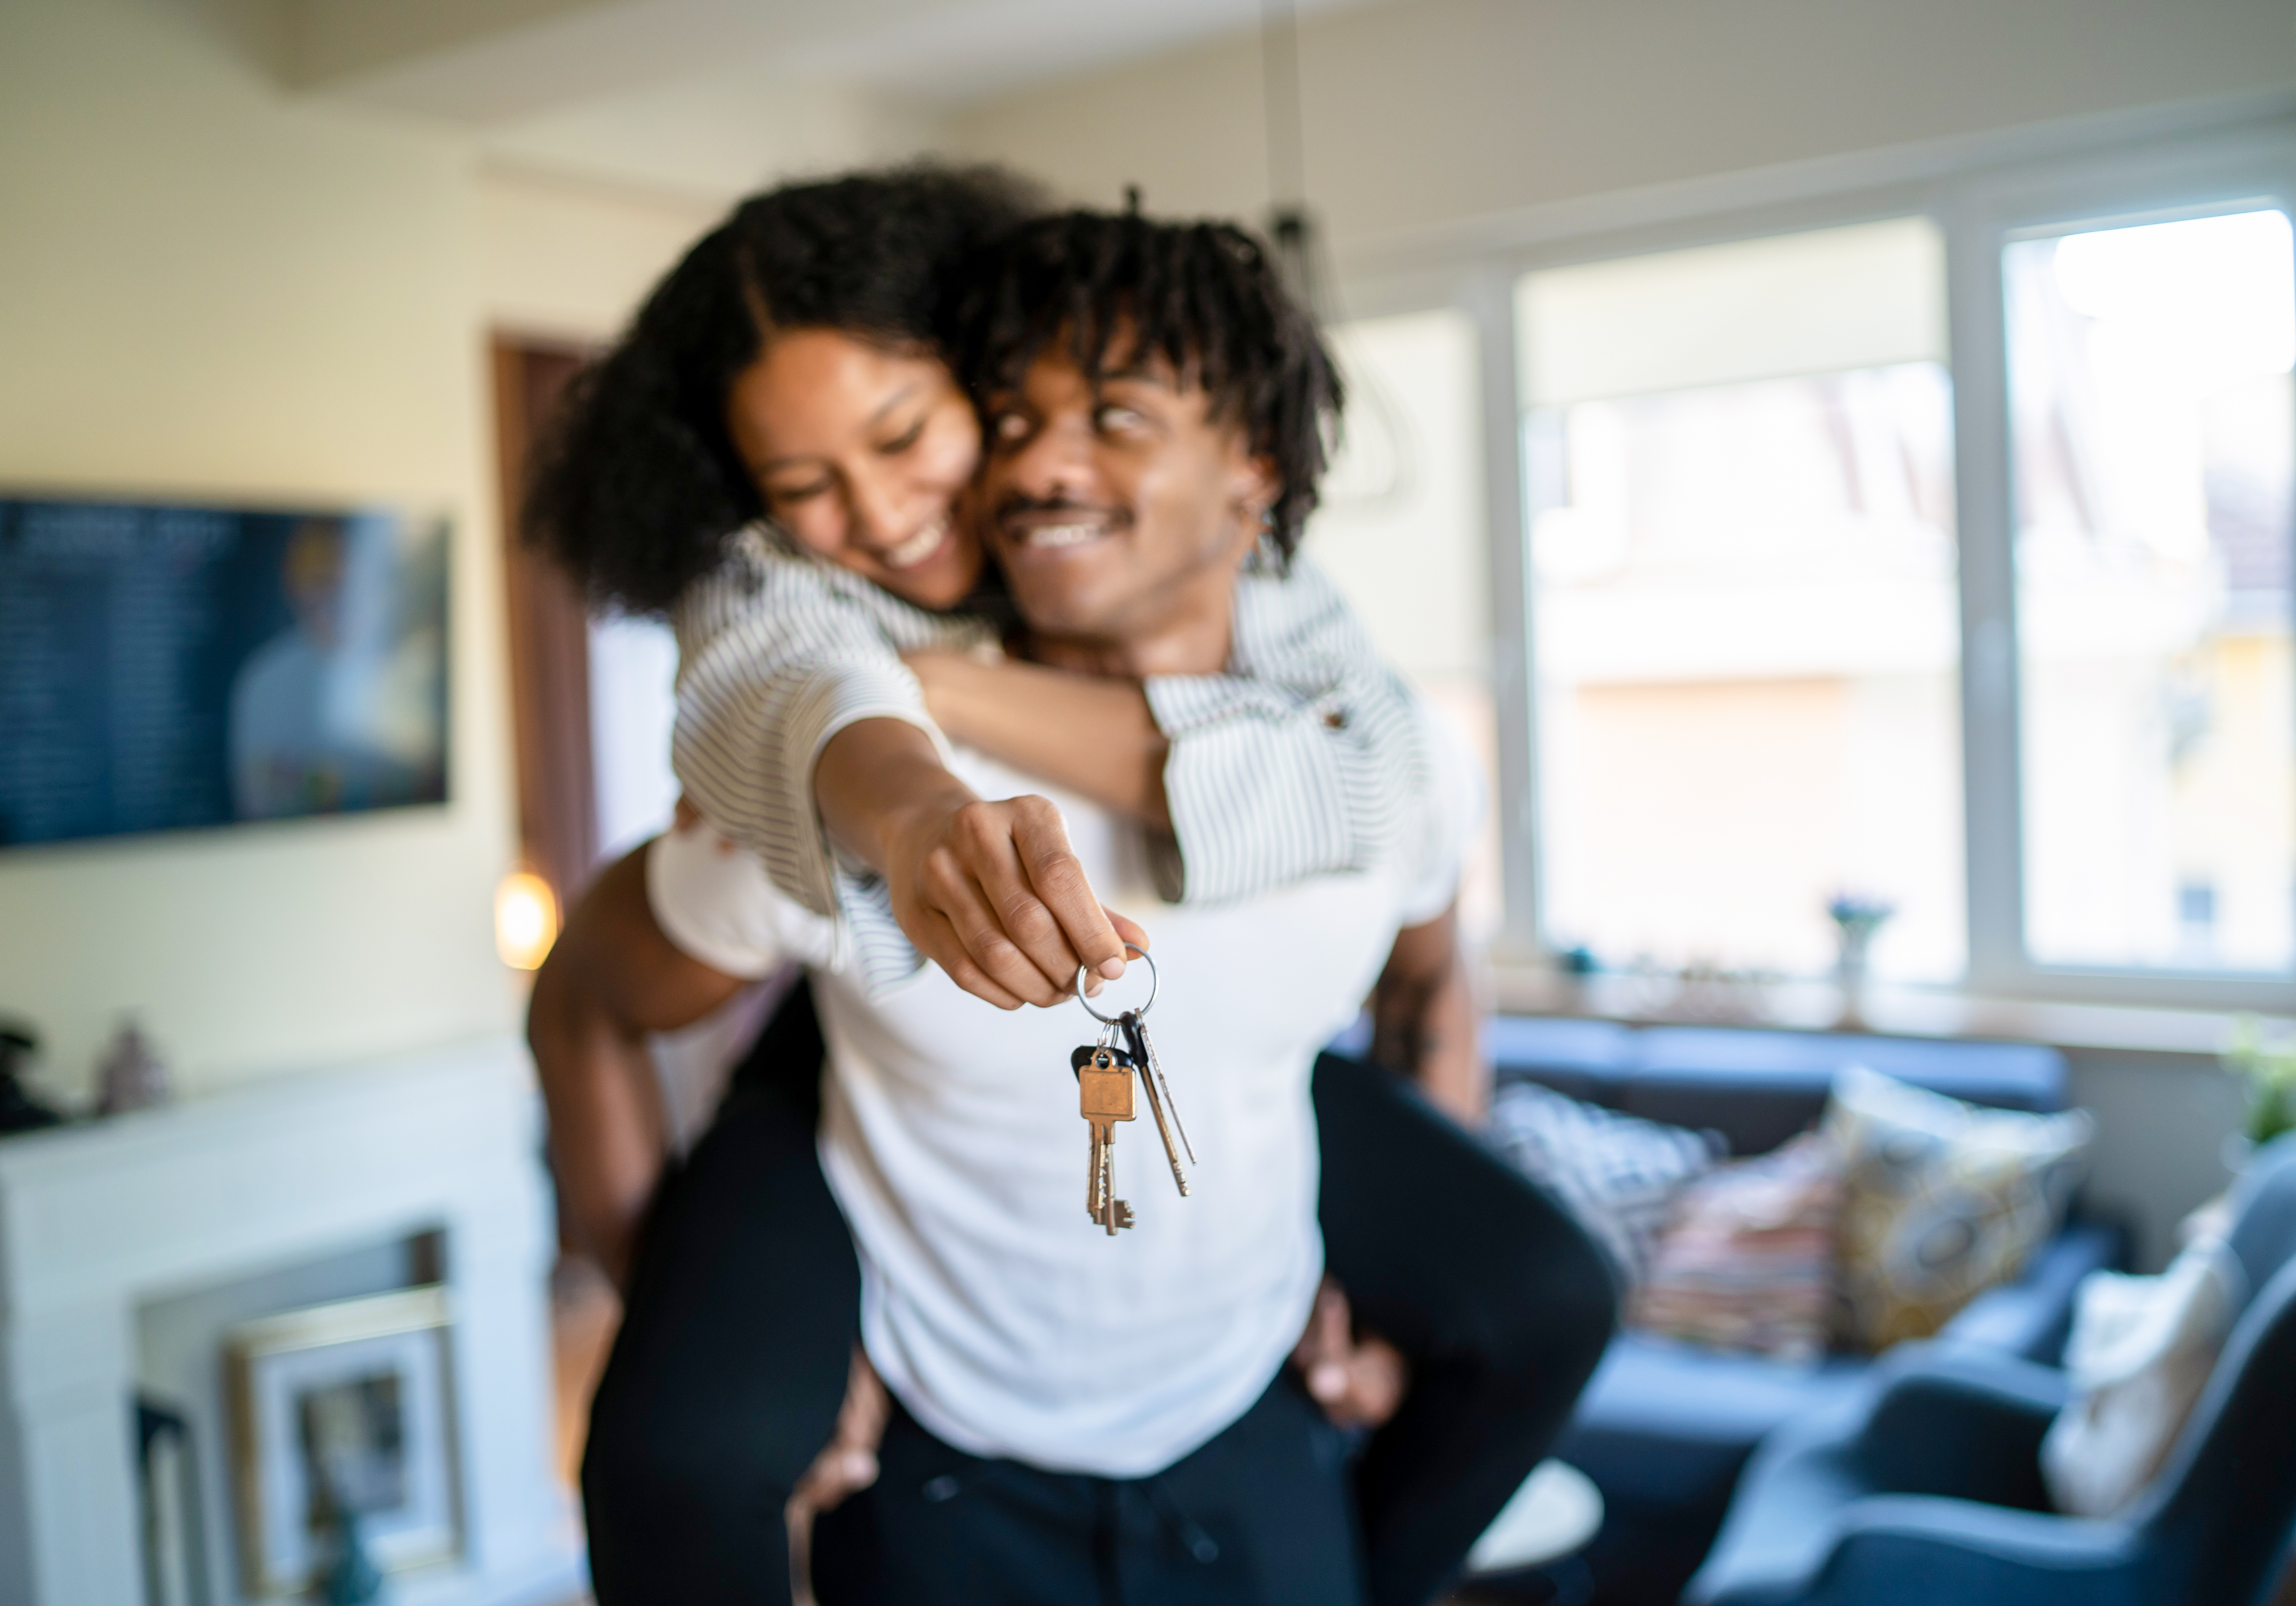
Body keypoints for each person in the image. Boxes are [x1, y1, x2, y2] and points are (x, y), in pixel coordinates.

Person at [531, 202, 1615, 1606]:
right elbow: (796, 709)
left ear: (1255, 475)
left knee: (1549, 1296)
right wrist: (896, 795)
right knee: (682, 1452)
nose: (1033, 465)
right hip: (945, 1455)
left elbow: (1412, 946)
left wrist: (1391, 1308)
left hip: (1247, 1428)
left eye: (1109, 416)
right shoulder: (805, 711)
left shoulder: (1365, 735)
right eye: (1019, 416)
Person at [530, 166, 1435, 1041]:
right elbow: (794, 682)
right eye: (803, 483)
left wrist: (940, 684)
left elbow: (1370, 773)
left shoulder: (1248, 572)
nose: (883, 518)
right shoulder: (768, 579)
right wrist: (911, 813)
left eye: (906, 435)